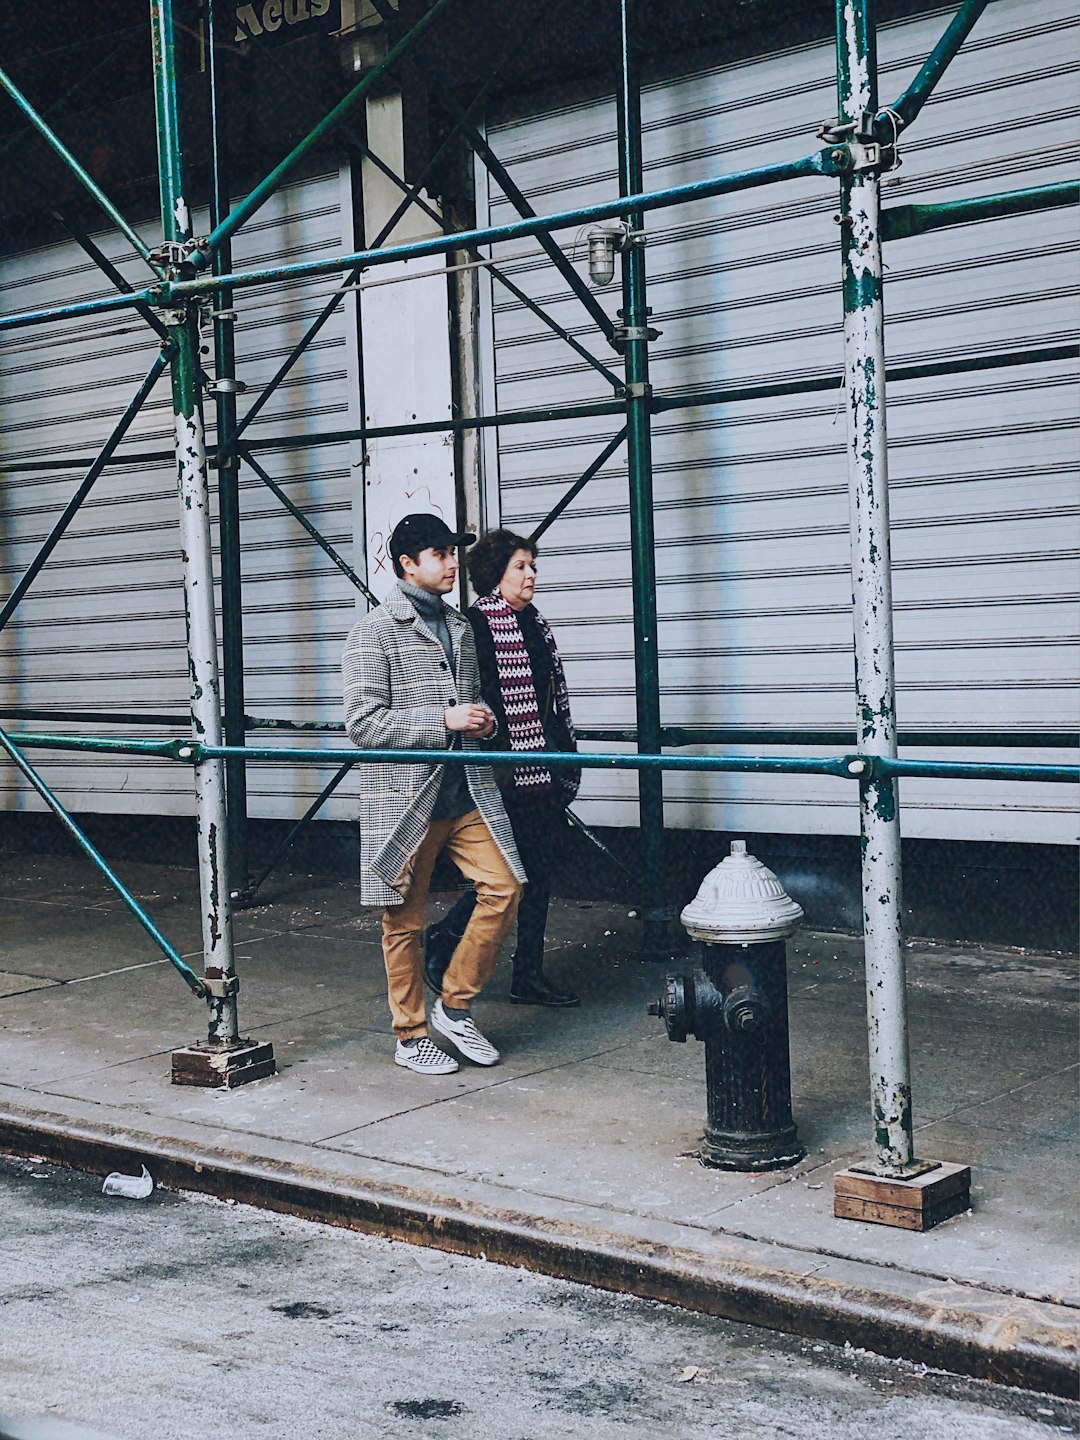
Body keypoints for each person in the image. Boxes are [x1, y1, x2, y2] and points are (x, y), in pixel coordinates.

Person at [342, 513, 526, 1076]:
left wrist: (483, 723)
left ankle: (455, 1005)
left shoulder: (461, 628)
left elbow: (468, 706)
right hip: (406, 799)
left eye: (452, 553)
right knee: (403, 918)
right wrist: (444, 718)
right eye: (440, 554)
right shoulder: (373, 631)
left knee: (504, 887)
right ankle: (410, 1033)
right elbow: (362, 724)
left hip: (465, 790)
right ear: (407, 564)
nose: (452, 564)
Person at [424, 528, 581, 1008]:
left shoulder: (536, 623)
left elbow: (551, 699)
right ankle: (444, 938)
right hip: (499, 773)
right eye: (521, 566)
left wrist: (561, 754)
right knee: (506, 874)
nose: (531, 574)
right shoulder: (475, 625)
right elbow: (468, 695)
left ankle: (527, 972)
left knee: (539, 871)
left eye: (533, 566)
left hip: (542, 768)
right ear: (497, 574)